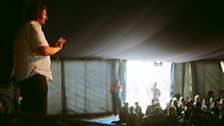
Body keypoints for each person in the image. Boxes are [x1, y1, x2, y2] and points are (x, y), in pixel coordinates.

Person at [13, 3, 66, 115]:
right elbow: (44, 50)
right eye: (44, 14)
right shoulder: (33, 26)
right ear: (38, 14)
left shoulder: (23, 30)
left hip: (27, 78)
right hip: (34, 78)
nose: (46, 17)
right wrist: (57, 48)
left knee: (30, 116)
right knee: (38, 116)